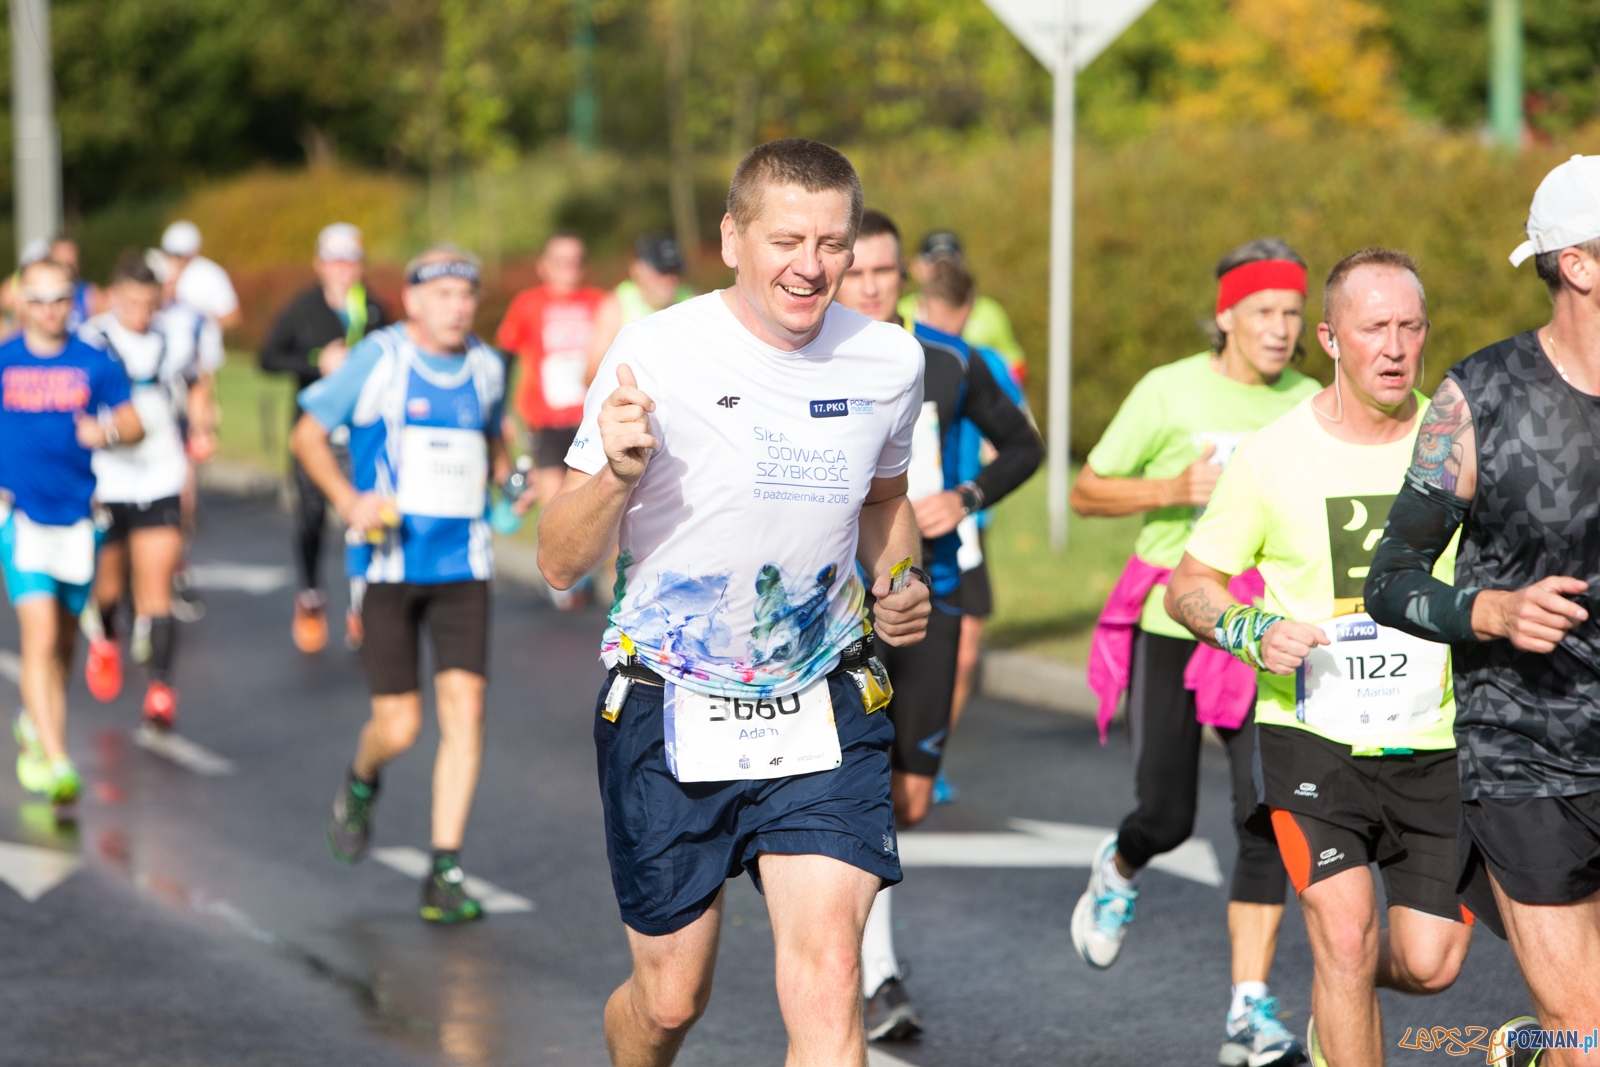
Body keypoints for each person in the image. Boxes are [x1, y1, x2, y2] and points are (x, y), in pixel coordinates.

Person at [538, 138, 932, 1067]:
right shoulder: (656, 352)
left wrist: (902, 577)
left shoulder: (888, 362)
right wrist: (615, 477)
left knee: (831, 976)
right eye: (787, 239)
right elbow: (559, 559)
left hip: (823, 697)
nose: (811, 266)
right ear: (732, 238)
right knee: (671, 1000)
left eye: (832, 243)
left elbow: (885, 504)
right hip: (670, 700)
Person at [1166, 248, 1474, 1067]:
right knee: (1343, 933)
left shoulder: (1460, 450)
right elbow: (1189, 584)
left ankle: (1333, 1006)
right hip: (1311, 731)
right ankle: (1340, 984)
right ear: (1332, 339)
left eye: (1411, 327)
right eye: (1375, 328)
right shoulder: (1270, 455)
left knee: (1431, 961)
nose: (1396, 346)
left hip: (1435, 736)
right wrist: (1248, 630)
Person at [1365, 156, 1600, 1067]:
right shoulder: (1480, 398)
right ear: (1576, 264)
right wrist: (1492, 612)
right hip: (1526, 752)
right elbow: (1392, 577)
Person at [1069, 239, 1320, 1066]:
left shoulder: (1311, 399)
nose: (1280, 329)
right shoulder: (1167, 391)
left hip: (1262, 636)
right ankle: (1121, 862)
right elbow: (1088, 487)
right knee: (1168, 816)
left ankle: (1249, 1010)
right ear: (1226, 316)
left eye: (1291, 312)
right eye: (1263, 313)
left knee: (1263, 816)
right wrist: (1171, 489)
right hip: (1176, 625)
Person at [836, 211, 1041, 1040]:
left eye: (887, 271)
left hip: (936, 591)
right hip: (841, 605)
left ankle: (852, 932)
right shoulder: (817, 357)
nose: (874, 286)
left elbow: (1024, 447)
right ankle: (873, 971)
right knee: (863, 788)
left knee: (909, 799)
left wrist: (966, 498)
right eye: (860, 272)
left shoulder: (948, 361)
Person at [292, 244, 506, 924]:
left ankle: (444, 868)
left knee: (466, 711)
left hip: (462, 564)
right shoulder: (380, 360)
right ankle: (361, 780)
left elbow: (493, 441)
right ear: (413, 300)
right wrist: (347, 500)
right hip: (387, 563)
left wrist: (509, 483)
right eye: (442, 294)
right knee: (400, 725)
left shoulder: (486, 366)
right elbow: (306, 434)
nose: (457, 306)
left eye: (466, 294)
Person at [2, 256, 141, 815]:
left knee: (62, 644)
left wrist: (103, 429)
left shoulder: (95, 361)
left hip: (79, 519)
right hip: (20, 519)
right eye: (38, 299)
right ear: (19, 303)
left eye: (60, 298)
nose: (50, 310)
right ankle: (58, 760)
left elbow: (134, 421)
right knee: (37, 637)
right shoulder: (4, 360)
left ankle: (36, 722)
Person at [80, 251, 220, 728]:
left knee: (156, 585)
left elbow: (197, 383)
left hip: (160, 469)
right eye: (131, 302)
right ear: (115, 295)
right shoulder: (92, 339)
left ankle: (161, 687)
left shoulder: (174, 336)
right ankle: (105, 637)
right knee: (109, 585)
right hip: (107, 475)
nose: (140, 313)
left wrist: (201, 424)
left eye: (149, 303)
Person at [259, 224, 387, 652]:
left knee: (364, 517)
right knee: (311, 517)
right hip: (313, 433)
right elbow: (268, 357)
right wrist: (318, 362)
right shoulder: (303, 308)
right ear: (318, 264)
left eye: (349, 260)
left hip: (363, 433)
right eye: (333, 261)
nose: (342, 270)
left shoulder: (374, 309)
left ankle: (361, 609)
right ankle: (311, 595)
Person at [496, 231, 607, 511]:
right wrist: (502, 410)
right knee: (555, 502)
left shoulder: (601, 302)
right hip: (545, 420)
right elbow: (504, 360)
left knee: (598, 505)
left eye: (575, 260)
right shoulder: (527, 303)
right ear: (542, 266)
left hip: (591, 416)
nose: (569, 267)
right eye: (560, 261)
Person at [897, 230, 1026, 379]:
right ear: (916, 267)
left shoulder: (990, 312)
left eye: (951, 263)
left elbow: (1014, 364)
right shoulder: (899, 310)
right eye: (934, 264)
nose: (942, 271)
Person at [582, 233, 694, 386]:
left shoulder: (693, 300)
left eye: (675, 270)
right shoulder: (616, 306)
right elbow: (592, 377)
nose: (670, 279)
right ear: (637, 270)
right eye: (661, 271)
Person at [160, 220, 241, 332]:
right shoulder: (159, 268)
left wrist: (202, 321)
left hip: (202, 347)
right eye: (172, 255)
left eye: (181, 256)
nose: (176, 261)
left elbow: (231, 317)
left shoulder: (209, 274)